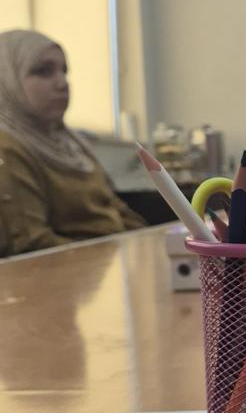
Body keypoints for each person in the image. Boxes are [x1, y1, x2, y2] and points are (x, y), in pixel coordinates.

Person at [0, 29, 145, 255]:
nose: (62, 83)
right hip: (70, 271)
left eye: (64, 71)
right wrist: (113, 258)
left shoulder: (70, 142)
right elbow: (32, 244)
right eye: (43, 71)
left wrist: (150, 246)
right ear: (7, 80)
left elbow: (115, 210)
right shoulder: (7, 149)